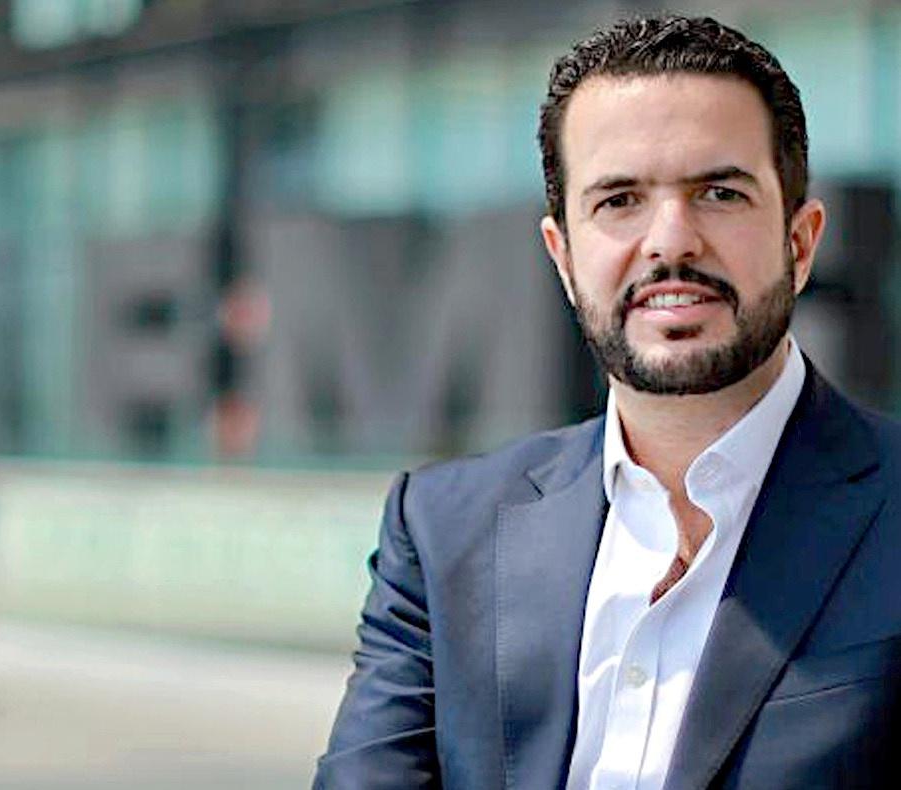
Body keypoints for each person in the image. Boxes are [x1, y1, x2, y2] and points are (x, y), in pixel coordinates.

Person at [315, 14, 901, 789]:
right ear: (563, 257)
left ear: (800, 243)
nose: (671, 241)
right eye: (620, 199)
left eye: (719, 192)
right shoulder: (442, 532)